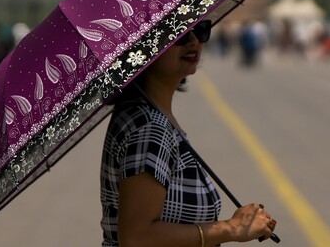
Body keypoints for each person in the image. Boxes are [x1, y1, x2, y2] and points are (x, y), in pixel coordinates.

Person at [100, 20, 277, 247]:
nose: (194, 41)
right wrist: (232, 228)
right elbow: (138, 238)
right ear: (141, 46)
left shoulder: (149, 115)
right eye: (178, 33)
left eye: (200, 30)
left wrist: (239, 223)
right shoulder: (149, 128)